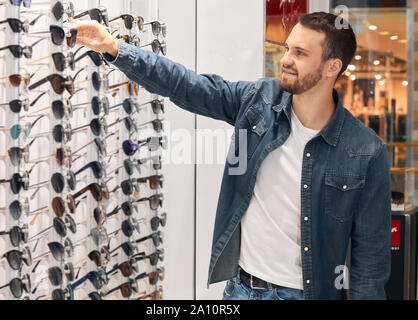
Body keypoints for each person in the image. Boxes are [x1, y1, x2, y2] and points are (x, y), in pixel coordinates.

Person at [75, 11, 391, 300]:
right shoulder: (259, 101)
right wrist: (115, 47)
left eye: (300, 53)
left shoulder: (365, 151)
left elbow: (371, 264)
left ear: (332, 67)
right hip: (240, 289)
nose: (286, 59)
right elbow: (187, 85)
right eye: (287, 48)